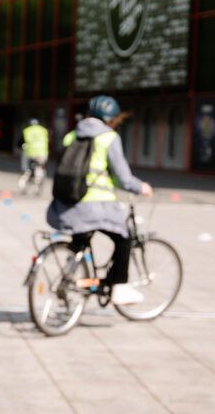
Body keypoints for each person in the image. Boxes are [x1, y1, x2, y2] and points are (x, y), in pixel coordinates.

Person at [46, 95, 153, 305]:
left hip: (66, 203)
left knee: (81, 239)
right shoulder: (109, 137)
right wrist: (142, 187)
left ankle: (69, 277)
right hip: (96, 205)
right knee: (124, 238)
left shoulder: (71, 135)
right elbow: (123, 178)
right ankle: (120, 285)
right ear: (113, 117)